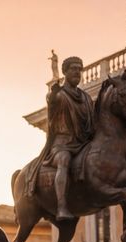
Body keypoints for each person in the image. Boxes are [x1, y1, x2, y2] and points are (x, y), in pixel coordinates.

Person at [40, 55, 95, 221]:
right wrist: (53, 93)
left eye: (80, 69)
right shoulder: (60, 95)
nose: (77, 72)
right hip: (62, 144)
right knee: (64, 160)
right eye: (73, 69)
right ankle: (62, 206)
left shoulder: (86, 98)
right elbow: (52, 101)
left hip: (82, 142)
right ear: (65, 72)